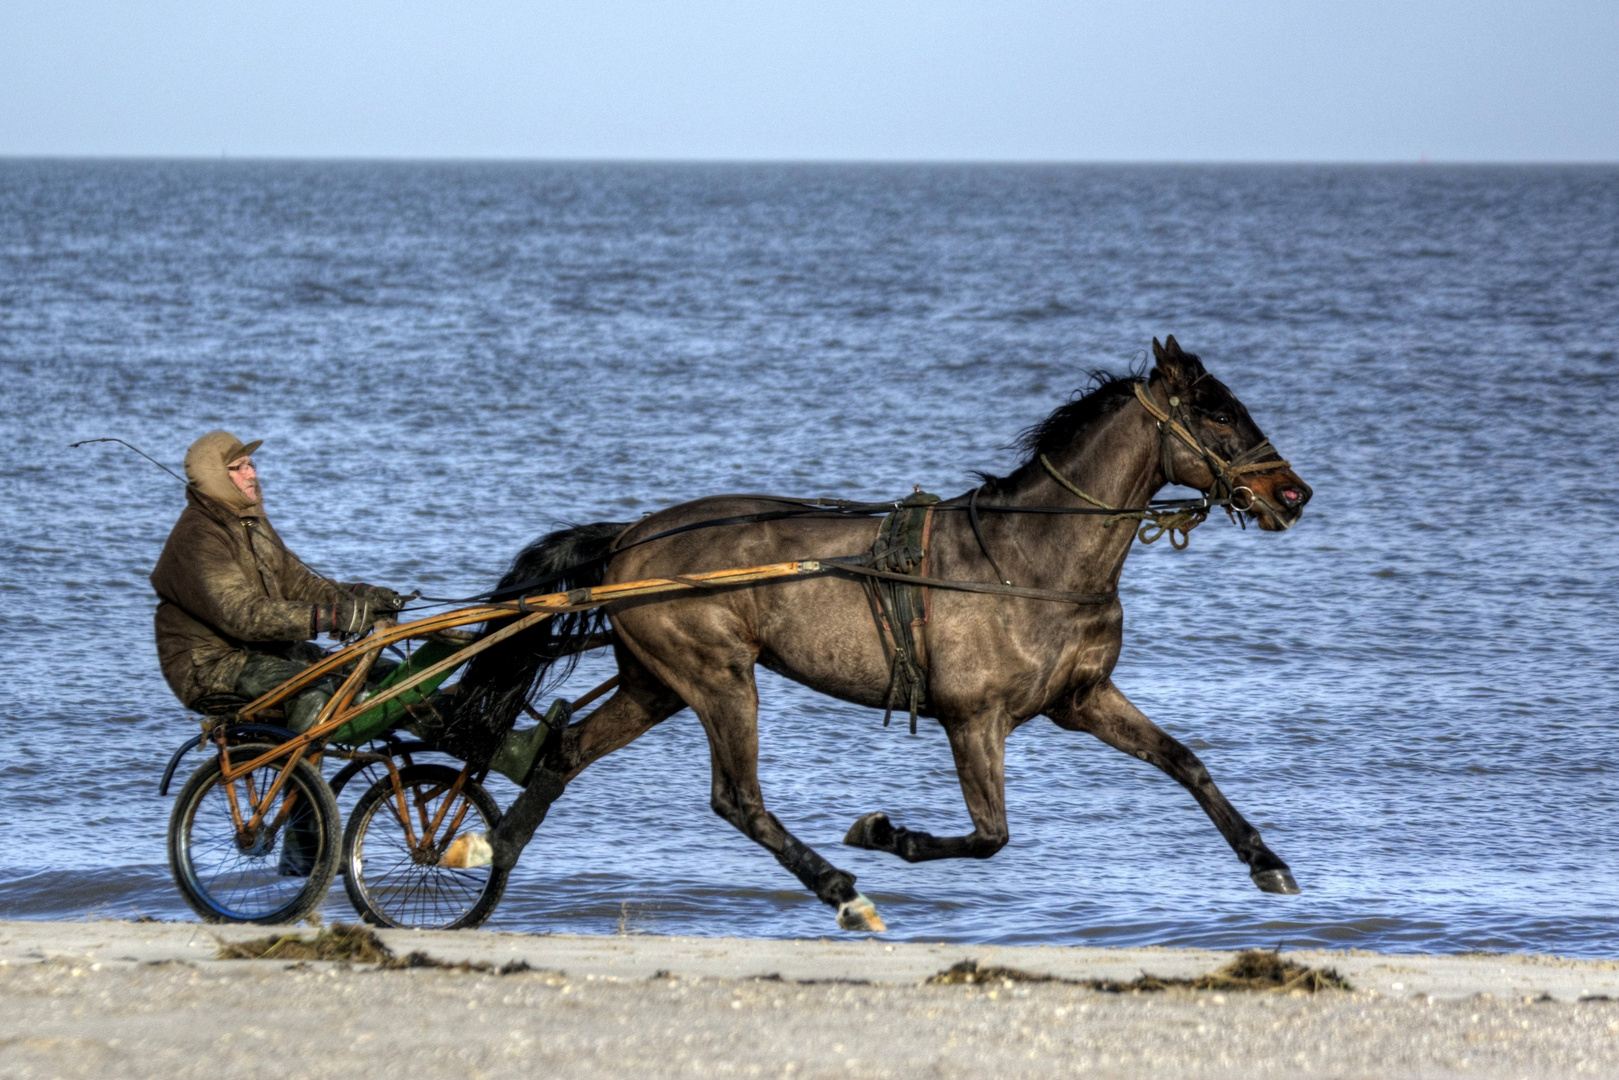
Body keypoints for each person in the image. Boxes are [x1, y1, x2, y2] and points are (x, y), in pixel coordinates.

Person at [150, 430, 406, 732]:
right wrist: (331, 618)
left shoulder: (252, 522)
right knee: (317, 689)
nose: (252, 474)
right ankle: (296, 776)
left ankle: (461, 751)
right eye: (239, 467)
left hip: (274, 653)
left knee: (394, 676)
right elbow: (242, 615)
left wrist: (364, 597)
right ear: (214, 475)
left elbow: (300, 584)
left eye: (252, 464)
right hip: (214, 666)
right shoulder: (198, 535)